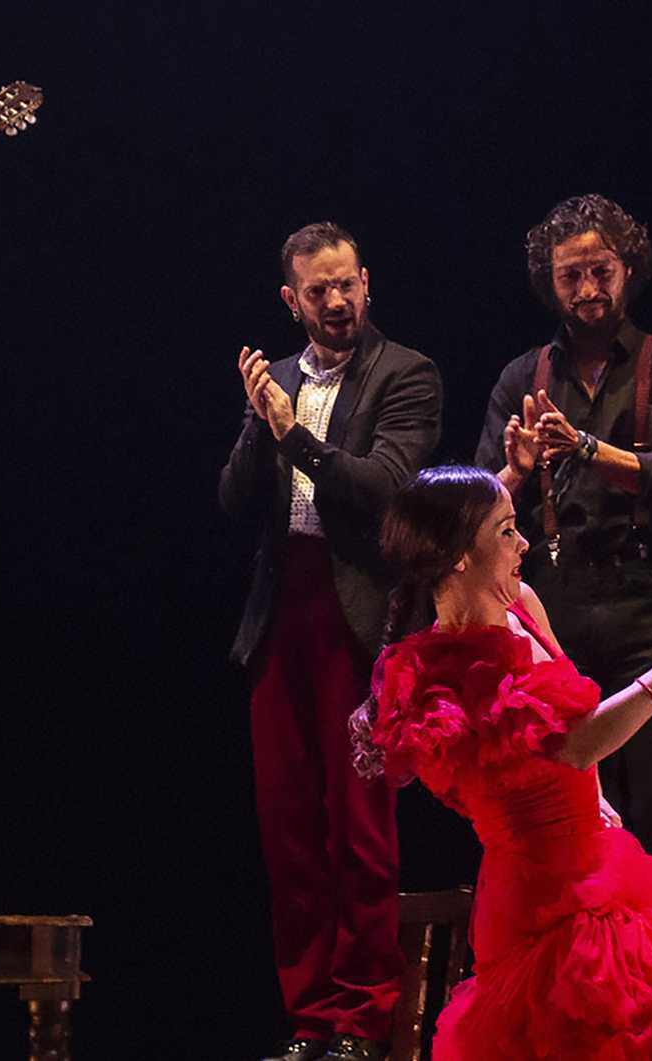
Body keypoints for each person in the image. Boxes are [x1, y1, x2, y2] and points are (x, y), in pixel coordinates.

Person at [352, 465, 652, 1060]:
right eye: (507, 531)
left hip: (601, 866)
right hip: (545, 907)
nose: (524, 544)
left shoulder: (524, 606)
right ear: (460, 557)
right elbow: (574, 743)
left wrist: (593, 797)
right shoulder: (445, 675)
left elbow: (563, 713)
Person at [219, 222, 443, 1061]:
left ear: (366, 280)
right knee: (288, 826)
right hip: (283, 611)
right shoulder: (274, 380)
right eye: (319, 291)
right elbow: (235, 501)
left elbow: (383, 488)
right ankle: (310, 1017)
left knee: (360, 824)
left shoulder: (406, 373)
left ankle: (362, 1017)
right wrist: (257, 422)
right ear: (292, 300)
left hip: (359, 610)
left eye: (347, 284)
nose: (338, 302)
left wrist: (295, 436)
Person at [473, 194, 652, 872]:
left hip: (648, 600)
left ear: (628, 268)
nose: (588, 290)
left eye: (601, 270)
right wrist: (513, 472)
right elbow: (479, 507)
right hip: (557, 600)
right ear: (549, 281)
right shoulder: (522, 376)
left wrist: (584, 447)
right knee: (564, 797)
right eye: (570, 275)